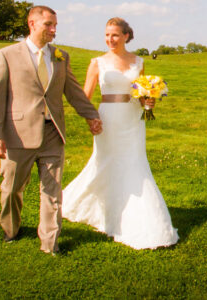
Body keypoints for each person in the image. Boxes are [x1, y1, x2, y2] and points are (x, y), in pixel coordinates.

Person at [0, 5, 102, 254]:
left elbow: (73, 91)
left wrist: (91, 115)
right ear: (32, 23)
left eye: (55, 25)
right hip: (17, 134)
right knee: (12, 189)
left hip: (53, 133)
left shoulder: (61, 56)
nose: (53, 30)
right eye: (49, 24)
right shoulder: (6, 55)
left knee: (52, 191)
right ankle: (11, 229)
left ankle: (50, 243)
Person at [62, 17, 178, 249]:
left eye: (114, 35)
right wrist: (90, 118)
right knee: (106, 162)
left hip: (133, 119)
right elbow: (86, 94)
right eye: (107, 35)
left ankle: (137, 216)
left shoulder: (139, 61)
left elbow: (141, 91)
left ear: (126, 35)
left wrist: (149, 102)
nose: (110, 39)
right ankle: (101, 207)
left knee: (135, 163)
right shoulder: (97, 63)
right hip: (108, 119)